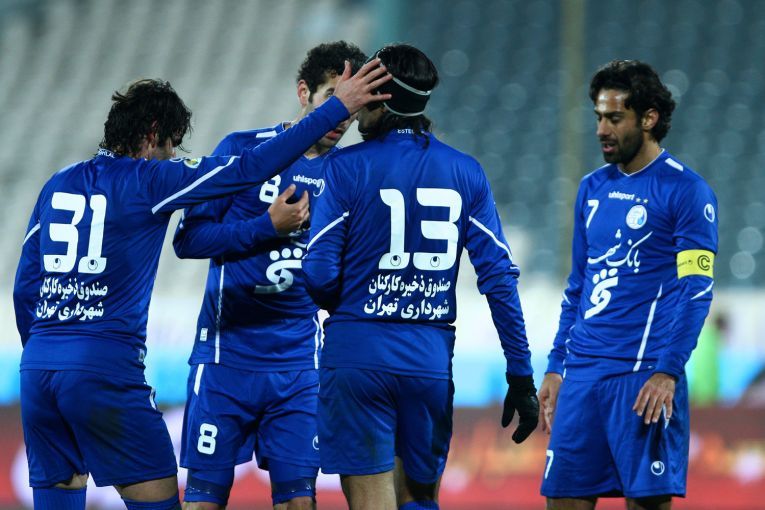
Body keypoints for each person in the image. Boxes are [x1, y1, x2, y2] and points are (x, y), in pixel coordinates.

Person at [12, 62, 390, 510]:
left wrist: (46, 356)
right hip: (104, 365)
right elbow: (249, 168)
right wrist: (337, 108)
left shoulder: (57, 183)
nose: (173, 154)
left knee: (60, 492)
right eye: (172, 144)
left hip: (38, 371)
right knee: (160, 496)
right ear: (153, 134)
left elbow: (25, 287)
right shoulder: (150, 179)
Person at [302, 44, 539, 510]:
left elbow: (319, 275)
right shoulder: (466, 172)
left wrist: (358, 299)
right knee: (419, 499)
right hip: (427, 360)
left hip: (358, 355)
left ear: (380, 97)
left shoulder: (344, 168)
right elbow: (499, 280)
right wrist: (521, 374)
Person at [172, 41, 366, 510]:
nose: (341, 116)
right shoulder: (242, 149)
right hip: (225, 358)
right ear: (303, 93)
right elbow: (188, 240)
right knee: (202, 502)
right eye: (332, 98)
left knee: (300, 502)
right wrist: (266, 227)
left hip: (299, 364)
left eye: (350, 105)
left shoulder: (353, 173)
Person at [538, 60, 718, 510]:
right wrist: (557, 367)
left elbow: (696, 291)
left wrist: (667, 371)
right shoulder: (591, 189)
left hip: (642, 380)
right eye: (599, 116)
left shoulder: (687, 191)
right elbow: (578, 287)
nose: (602, 129)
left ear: (649, 118)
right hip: (582, 380)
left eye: (615, 118)